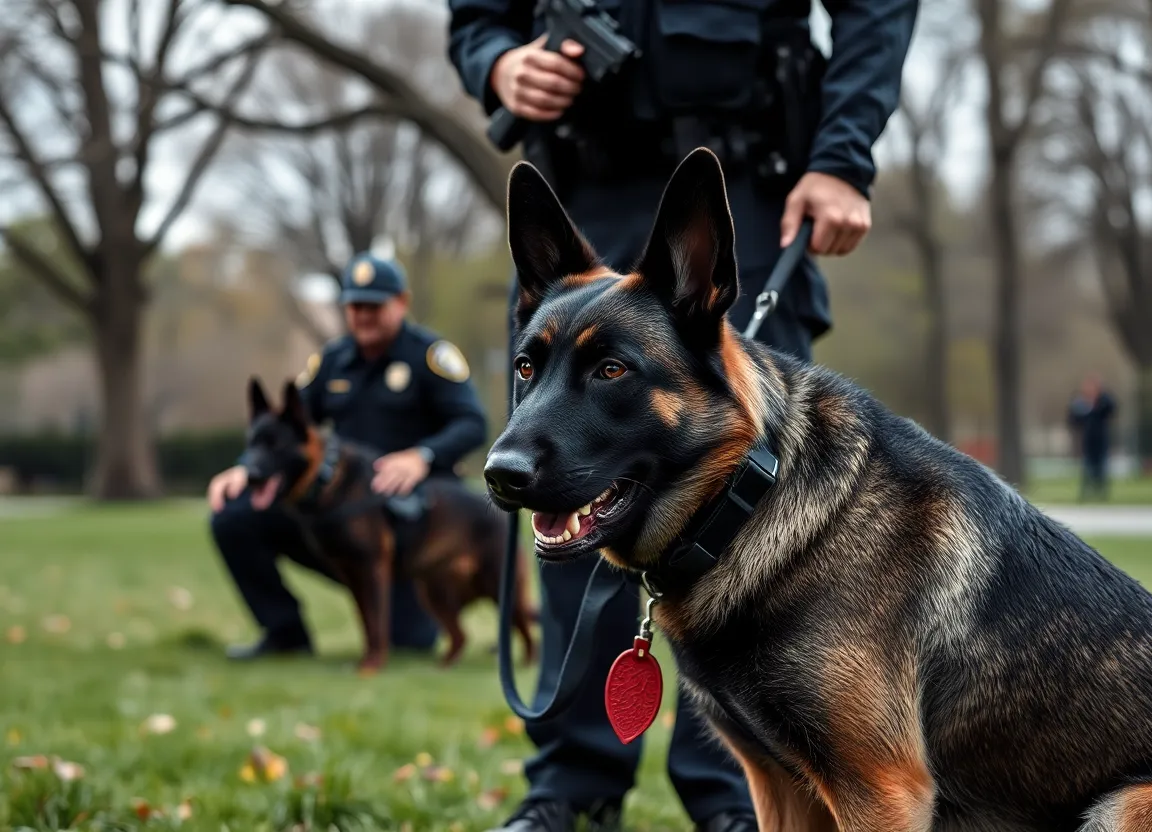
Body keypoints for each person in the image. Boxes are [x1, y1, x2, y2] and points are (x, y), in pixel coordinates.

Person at [447, 0, 917, 827]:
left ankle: (742, 799)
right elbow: (477, 15)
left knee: (765, 524)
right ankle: (572, 786)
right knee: (564, 487)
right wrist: (496, 62)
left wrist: (843, 157)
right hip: (581, 192)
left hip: (753, 189)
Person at [207, 252, 488, 660]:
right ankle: (286, 634)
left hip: (413, 524)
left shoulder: (429, 356)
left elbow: (472, 423)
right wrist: (245, 469)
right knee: (234, 517)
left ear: (402, 303)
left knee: (408, 643)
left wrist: (421, 456)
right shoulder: (333, 361)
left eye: (375, 305)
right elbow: (282, 427)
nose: (363, 315)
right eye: (355, 306)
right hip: (342, 518)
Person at [1068, 374, 1117, 502]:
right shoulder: (1081, 403)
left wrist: (1100, 399)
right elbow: (1073, 419)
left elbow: (1111, 409)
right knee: (1087, 469)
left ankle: (1101, 494)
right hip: (1088, 441)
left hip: (1101, 440)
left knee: (1102, 469)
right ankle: (1086, 494)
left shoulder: (1103, 401)